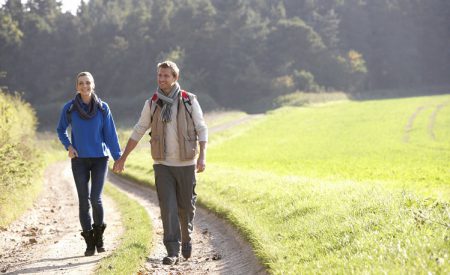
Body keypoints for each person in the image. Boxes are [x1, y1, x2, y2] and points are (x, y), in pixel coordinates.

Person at [113, 61, 208, 265]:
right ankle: (172, 250)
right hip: (162, 164)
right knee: (168, 208)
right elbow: (139, 129)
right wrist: (123, 157)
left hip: (186, 163)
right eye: (159, 75)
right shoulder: (152, 103)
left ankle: (186, 238)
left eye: (166, 75)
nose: (162, 79)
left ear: (175, 78)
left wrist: (202, 156)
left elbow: (201, 128)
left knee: (186, 208)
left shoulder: (189, 100)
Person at [56, 72, 121, 256]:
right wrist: (68, 146)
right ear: (77, 87)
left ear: (93, 85)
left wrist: (118, 157)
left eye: (88, 83)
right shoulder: (69, 109)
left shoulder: (103, 108)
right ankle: (89, 243)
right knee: (84, 202)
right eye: (81, 83)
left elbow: (110, 135)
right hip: (79, 160)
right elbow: (61, 130)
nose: (85, 86)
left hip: (100, 159)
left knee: (96, 199)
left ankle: (99, 236)